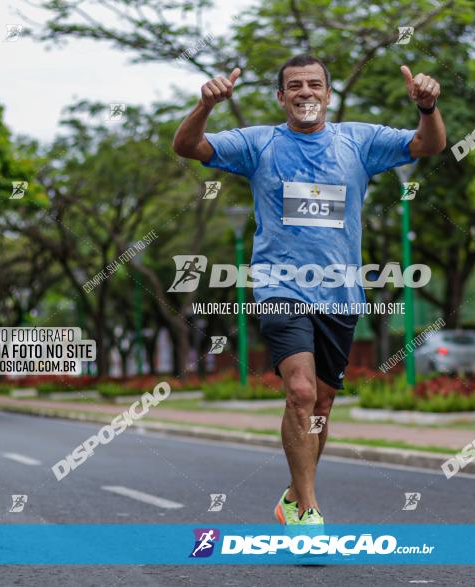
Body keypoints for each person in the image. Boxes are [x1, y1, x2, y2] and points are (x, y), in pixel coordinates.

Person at [173, 54, 445, 526]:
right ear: (281, 97)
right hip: (281, 287)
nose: (304, 92)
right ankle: (309, 506)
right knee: (299, 391)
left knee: (320, 402)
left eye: (314, 84)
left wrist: (426, 107)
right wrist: (205, 106)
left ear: (327, 93)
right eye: (294, 85)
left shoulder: (358, 141)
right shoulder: (258, 143)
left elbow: (429, 145)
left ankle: (294, 496)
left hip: (340, 292)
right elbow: (187, 146)